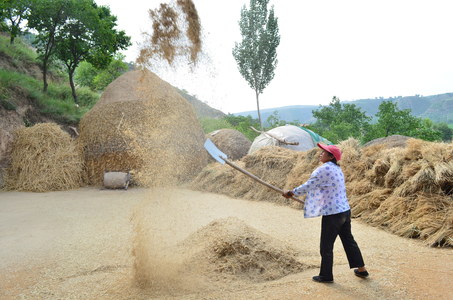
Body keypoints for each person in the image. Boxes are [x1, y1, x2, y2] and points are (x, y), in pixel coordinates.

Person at [283, 143, 368, 283]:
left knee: (326, 245)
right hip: (344, 211)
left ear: (331, 156)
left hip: (333, 214)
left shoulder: (324, 169)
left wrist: (292, 192)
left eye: (323, 153)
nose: (320, 154)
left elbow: (309, 185)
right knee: (349, 241)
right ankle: (362, 270)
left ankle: (326, 276)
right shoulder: (337, 169)